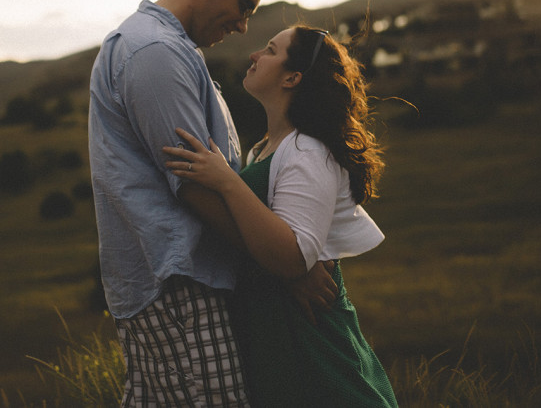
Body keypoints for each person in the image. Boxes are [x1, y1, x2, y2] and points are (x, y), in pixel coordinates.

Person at [88, 0, 335, 406]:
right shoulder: (155, 53)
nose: (243, 26)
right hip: (180, 281)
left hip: (177, 279)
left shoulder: (167, 48)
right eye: (245, 7)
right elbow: (194, 185)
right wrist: (286, 267)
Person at [163, 25, 399, 407]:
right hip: (275, 333)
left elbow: (294, 256)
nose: (255, 55)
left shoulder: (308, 152)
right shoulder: (267, 147)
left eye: (270, 50)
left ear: (293, 77)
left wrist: (227, 181)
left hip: (311, 339)